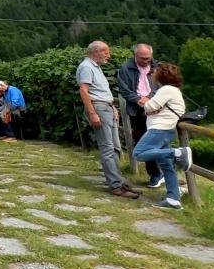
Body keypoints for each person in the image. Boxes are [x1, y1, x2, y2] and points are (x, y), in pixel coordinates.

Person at [77, 41, 139, 198]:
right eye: (106, 52)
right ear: (96, 52)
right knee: (107, 148)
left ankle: (118, 180)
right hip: (99, 108)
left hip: (106, 108)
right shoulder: (86, 67)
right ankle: (115, 185)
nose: (108, 56)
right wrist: (92, 113)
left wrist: (112, 108)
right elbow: (84, 91)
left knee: (116, 147)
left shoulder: (95, 67)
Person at [131, 62, 193, 210]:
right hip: (166, 129)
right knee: (166, 165)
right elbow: (152, 110)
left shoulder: (166, 90)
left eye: (154, 72)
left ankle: (178, 152)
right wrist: (150, 108)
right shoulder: (172, 90)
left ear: (161, 75)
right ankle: (173, 199)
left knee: (138, 153)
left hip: (159, 129)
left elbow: (149, 107)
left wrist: (145, 102)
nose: (152, 75)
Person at [117, 43, 162, 187]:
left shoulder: (158, 67)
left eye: (148, 58)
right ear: (135, 56)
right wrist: (138, 100)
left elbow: (163, 86)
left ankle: (166, 173)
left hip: (156, 109)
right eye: (143, 58)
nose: (146, 61)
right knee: (143, 142)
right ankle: (155, 174)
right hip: (136, 110)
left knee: (161, 141)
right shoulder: (125, 68)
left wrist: (149, 98)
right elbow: (124, 89)